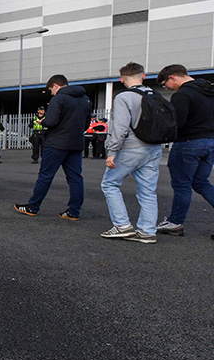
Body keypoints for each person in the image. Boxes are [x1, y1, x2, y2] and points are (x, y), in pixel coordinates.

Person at [99, 62, 163, 243]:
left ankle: (122, 225)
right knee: (148, 191)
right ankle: (147, 231)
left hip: (131, 148)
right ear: (143, 76)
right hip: (154, 148)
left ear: (121, 79)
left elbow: (120, 128)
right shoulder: (155, 95)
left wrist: (112, 152)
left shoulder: (124, 97)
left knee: (110, 184)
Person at [14, 74, 92, 219]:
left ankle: (33, 207)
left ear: (55, 85)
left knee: (45, 176)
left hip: (56, 143)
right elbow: (86, 124)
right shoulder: (85, 99)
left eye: (51, 90)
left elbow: (50, 121)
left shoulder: (59, 98)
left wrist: (42, 121)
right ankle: (74, 211)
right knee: (75, 178)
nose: (51, 92)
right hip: (75, 144)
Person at [155, 64, 214, 238]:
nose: (166, 88)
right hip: (210, 142)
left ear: (173, 77)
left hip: (188, 143)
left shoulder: (182, 95)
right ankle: (175, 221)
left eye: (165, 83)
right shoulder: (210, 91)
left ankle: (175, 222)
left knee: (182, 185)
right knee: (201, 182)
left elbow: (177, 123)